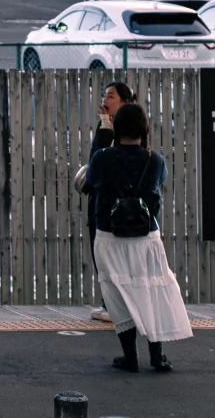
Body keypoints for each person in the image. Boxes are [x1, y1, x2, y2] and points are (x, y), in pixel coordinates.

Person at [84, 101, 192, 373]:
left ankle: (129, 356)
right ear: (144, 128)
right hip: (146, 237)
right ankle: (158, 355)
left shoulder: (102, 158)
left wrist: (104, 133)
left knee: (118, 296)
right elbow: (160, 181)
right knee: (152, 292)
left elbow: (90, 179)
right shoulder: (154, 159)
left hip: (109, 235)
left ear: (118, 127)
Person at [86, 81, 136, 322]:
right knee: (101, 255)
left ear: (125, 102)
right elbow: (95, 155)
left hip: (118, 202)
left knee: (116, 255)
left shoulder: (130, 127)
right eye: (105, 95)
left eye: (112, 96)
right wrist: (105, 124)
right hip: (101, 198)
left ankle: (117, 306)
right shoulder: (105, 124)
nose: (105, 100)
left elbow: (104, 158)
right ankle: (109, 303)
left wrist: (107, 127)